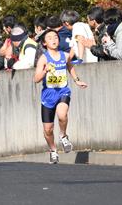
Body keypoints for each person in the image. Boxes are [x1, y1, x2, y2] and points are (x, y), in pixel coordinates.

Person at [34, 29, 88, 164]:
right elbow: (36, 79)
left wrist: (76, 80)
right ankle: (53, 150)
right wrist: (45, 70)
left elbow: (70, 66)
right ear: (45, 43)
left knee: (62, 114)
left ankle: (63, 136)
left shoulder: (64, 55)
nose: (53, 40)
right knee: (48, 129)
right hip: (48, 95)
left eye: (55, 37)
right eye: (50, 38)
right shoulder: (44, 58)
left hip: (63, 91)